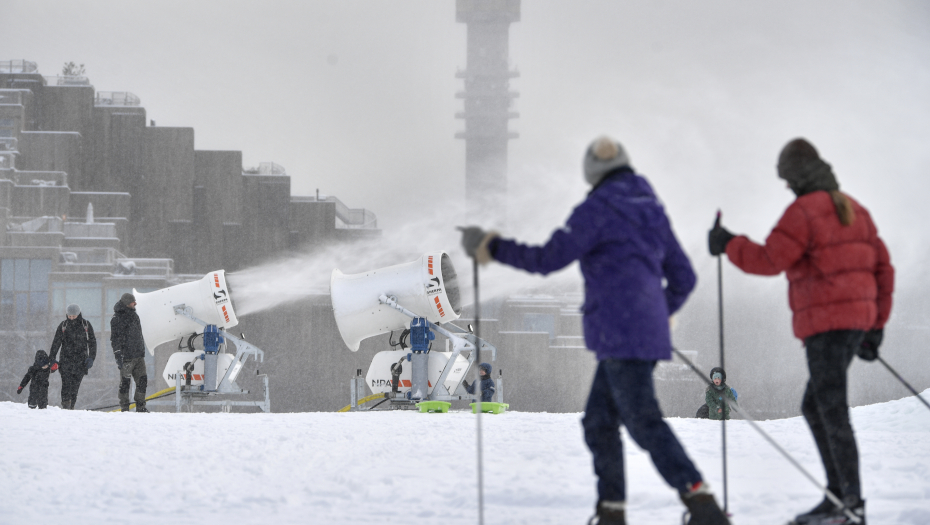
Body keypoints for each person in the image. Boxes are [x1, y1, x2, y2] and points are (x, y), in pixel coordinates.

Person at [461, 137, 729, 525]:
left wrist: (492, 246)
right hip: (640, 334)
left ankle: (702, 505)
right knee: (600, 422)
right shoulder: (652, 210)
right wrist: (658, 313)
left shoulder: (596, 208)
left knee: (642, 421)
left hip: (619, 335)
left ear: (591, 172)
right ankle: (612, 511)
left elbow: (546, 259)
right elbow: (684, 277)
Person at [708, 138, 893, 525]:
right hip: (852, 324)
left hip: (825, 328)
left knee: (830, 409)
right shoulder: (855, 209)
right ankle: (838, 497)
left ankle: (849, 504)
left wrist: (729, 244)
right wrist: (874, 328)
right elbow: (883, 269)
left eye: (787, 180)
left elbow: (770, 260)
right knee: (817, 405)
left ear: (796, 177)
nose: (787, 188)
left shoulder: (804, 212)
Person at [48, 304, 97, 409]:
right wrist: (52, 358)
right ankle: (65, 406)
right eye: (69, 316)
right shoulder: (63, 325)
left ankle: (71, 407)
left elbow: (92, 343)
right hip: (65, 361)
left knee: (75, 387)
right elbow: (56, 343)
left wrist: (91, 358)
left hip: (81, 362)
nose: (71, 318)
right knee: (66, 385)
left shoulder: (86, 325)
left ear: (78, 314)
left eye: (73, 316)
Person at [111, 293, 149, 413]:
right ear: (127, 303)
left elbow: (138, 335)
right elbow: (114, 338)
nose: (135, 303)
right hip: (126, 357)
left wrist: (141, 350)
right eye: (133, 302)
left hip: (139, 356)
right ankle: (124, 408)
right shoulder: (116, 318)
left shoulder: (134, 315)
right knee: (125, 383)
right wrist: (118, 354)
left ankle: (140, 406)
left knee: (142, 381)